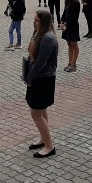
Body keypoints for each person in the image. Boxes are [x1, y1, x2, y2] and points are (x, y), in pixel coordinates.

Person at [25, 9, 59, 158]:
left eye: (37, 20)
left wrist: (29, 78)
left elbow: (40, 62)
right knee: (41, 110)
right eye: (34, 20)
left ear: (44, 22)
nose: (34, 22)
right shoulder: (39, 34)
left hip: (43, 78)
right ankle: (44, 139)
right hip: (38, 76)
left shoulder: (48, 38)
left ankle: (50, 146)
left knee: (36, 113)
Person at [60, 0, 81, 72]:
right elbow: (65, 12)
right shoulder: (68, 1)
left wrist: (65, 23)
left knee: (74, 43)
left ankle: (74, 64)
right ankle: (70, 62)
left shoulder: (75, 2)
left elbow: (73, 16)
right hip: (67, 25)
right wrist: (61, 21)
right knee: (69, 43)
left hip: (72, 25)